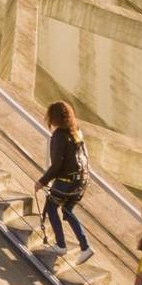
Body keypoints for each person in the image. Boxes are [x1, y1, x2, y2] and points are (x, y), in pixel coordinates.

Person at [35, 101, 94, 264]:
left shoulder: (59, 135)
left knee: (52, 207)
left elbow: (56, 165)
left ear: (53, 117)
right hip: (82, 180)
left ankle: (61, 245)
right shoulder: (76, 130)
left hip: (67, 181)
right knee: (67, 211)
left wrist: (42, 181)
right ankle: (85, 246)